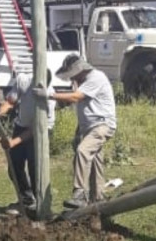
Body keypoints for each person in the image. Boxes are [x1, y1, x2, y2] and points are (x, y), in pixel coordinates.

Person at [40, 55, 117, 209]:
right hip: (90, 127)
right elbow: (83, 105)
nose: (71, 79)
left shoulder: (95, 77)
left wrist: (49, 95)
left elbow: (76, 97)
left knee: (83, 151)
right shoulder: (85, 81)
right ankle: (98, 197)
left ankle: (80, 194)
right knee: (95, 160)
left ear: (80, 70)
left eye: (72, 75)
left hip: (102, 125)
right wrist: (79, 130)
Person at [0, 70, 56, 215]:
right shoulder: (23, 80)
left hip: (41, 131)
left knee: (36, 168)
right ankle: (26, 200)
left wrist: (13, 142)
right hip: (21, 124)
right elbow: (10, 102)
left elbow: (36, 129)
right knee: (14, 165)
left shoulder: (49, 98)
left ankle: (41, 204)